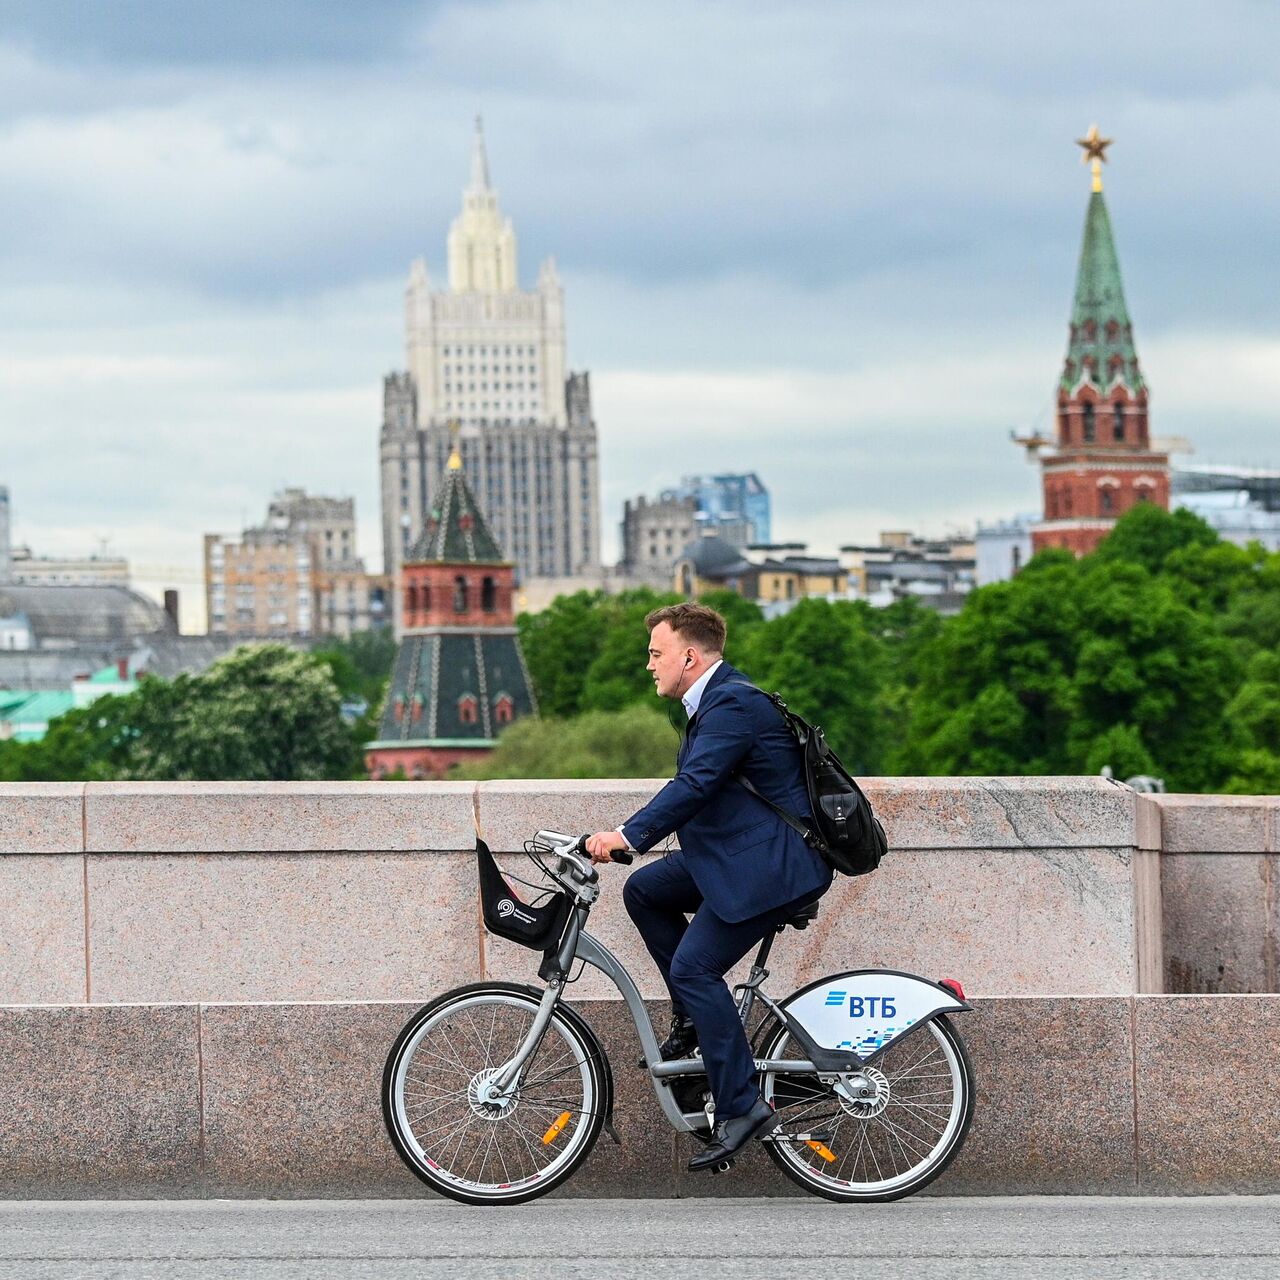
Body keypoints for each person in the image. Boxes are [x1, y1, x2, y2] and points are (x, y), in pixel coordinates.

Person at [586, 602, 832, 1172]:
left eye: (656, 653)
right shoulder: (713, 704)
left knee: (694, 970)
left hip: (772, 869)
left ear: (689, 656)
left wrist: (626, 835)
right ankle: (698, 1022)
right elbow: (702, 790)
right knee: (645, 892)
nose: (649, 665)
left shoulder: (733, 703)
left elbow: (694, 785)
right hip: (739, 857)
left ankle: (742, 1104)